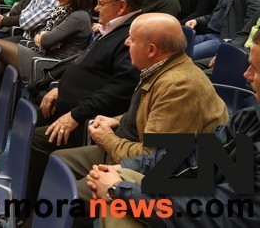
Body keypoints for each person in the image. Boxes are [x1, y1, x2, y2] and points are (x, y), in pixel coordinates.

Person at [46, 13, 228, 225]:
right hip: (131, 147)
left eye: (132, 39)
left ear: (151, 50)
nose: (126, 42)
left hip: (163, 175)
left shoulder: (180, 86)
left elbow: (156, 158)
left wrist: (108, 140)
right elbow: (151, 112)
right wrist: (116, 120)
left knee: (69, 192)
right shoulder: (161, 68)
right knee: (58, 160)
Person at [85, 29, 260, 227]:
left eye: (256, 68)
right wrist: (126, 168)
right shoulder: (252, 116)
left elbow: (225, 212)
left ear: (151, 49)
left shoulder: (179, 85)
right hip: (203, 198)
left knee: (108, 208)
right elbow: (197, 157)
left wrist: (118, 191)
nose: (247, 75)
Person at [26, 0, 143, 204]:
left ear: (121, 7)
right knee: (29, 118)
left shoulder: (131, 37)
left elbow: (118, 91)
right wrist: (60, 87)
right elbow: (86, 65)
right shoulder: (114, 29)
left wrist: (75, 116)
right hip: (68, 105)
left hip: (84, 119)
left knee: (34, 140)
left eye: (101, 4)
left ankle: (30, 207)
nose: (96, 9)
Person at [0, 0, 92, 81]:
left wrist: (46, 39)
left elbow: (46, 40)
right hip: (42, 54)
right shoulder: (63, 10)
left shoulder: (79, 16)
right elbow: (41, 34)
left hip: (50, 65)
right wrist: (45, 38)